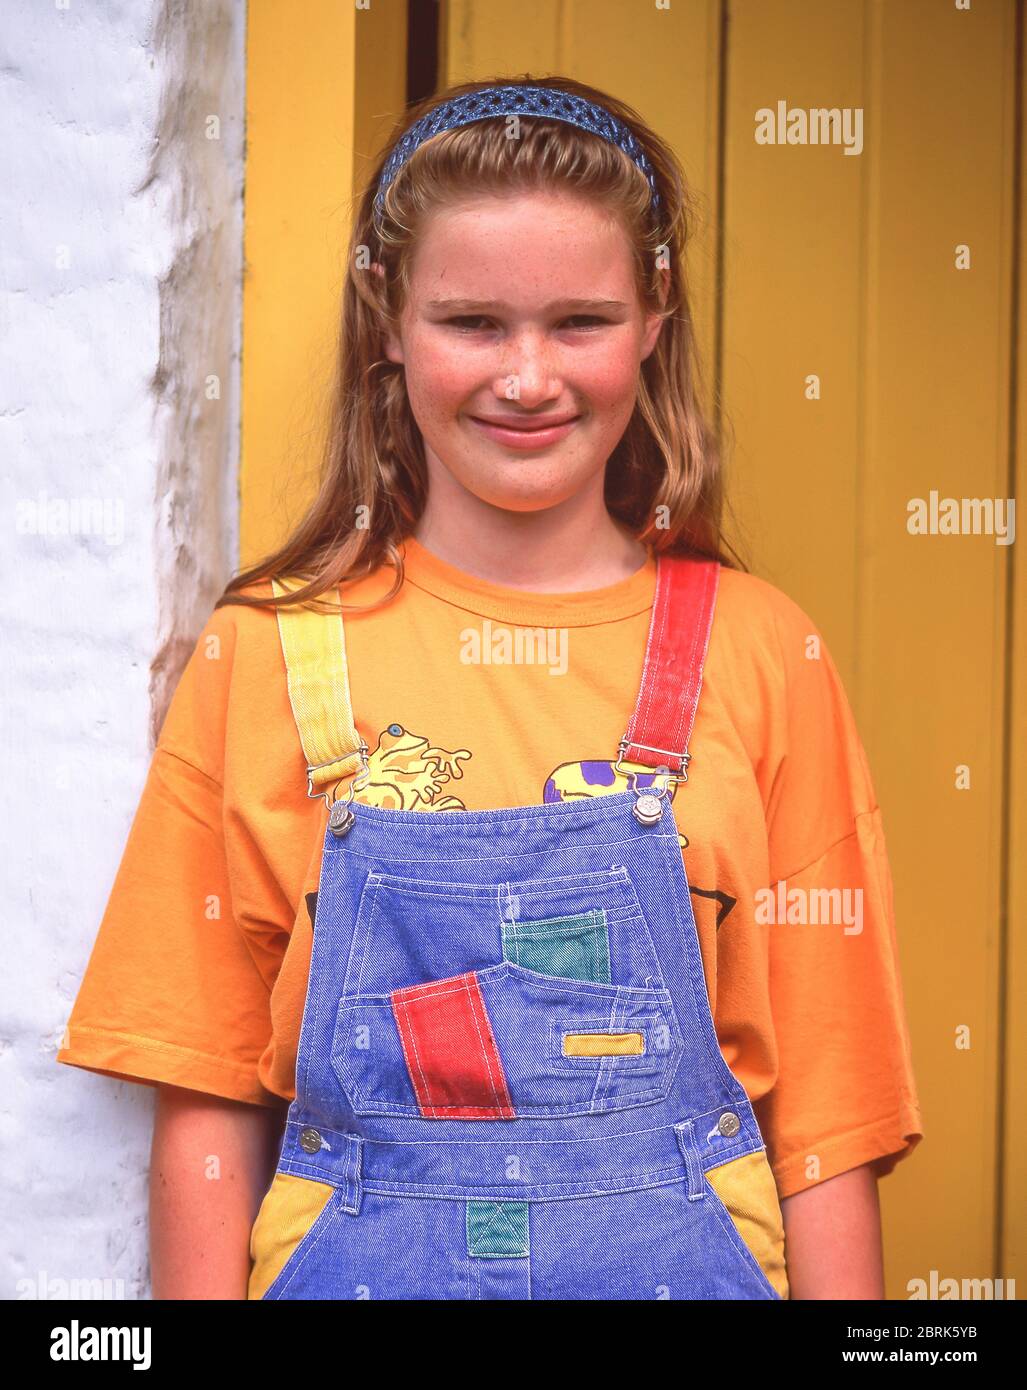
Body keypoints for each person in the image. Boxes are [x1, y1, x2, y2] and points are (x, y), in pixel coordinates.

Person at [57, 75, 923, 1300]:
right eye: (473, 322)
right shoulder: (268, 653)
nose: (528, 378)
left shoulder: (760, 653)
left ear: (653, 323)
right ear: (389, 323)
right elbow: (205, 1090)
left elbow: (831, 1123)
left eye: (580, 321)